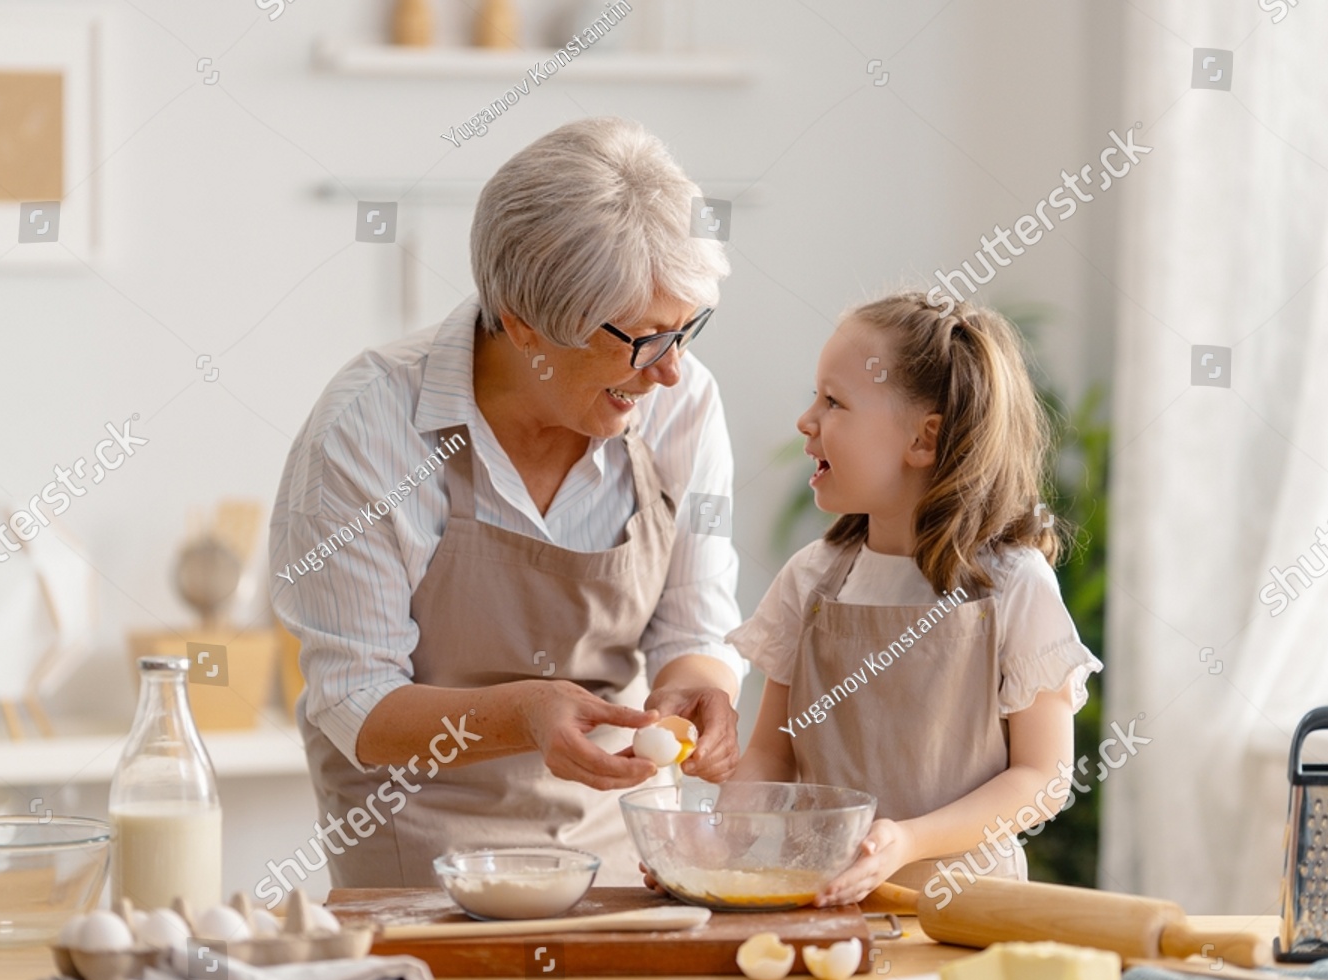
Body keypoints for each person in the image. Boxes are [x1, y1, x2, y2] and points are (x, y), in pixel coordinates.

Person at [269, 117, 744, 891]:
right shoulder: (370, 426)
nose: (671, 370)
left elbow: (697, 618)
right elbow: (355, 701)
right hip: (425, 861)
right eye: (645, 340)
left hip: (625, 849)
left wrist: (702, 688)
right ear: (525, 326)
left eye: (687, 329)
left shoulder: (683, 403)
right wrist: (525, 713)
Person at [727, 291, 1102, 905]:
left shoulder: (1013, 585)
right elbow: (771, 755)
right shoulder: (811, 580)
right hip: (825, 907)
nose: (806, 420)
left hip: (967, 916)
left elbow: (1042, 779)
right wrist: (713, 847)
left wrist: (908, 841)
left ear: (923, 440)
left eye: (833, 401)